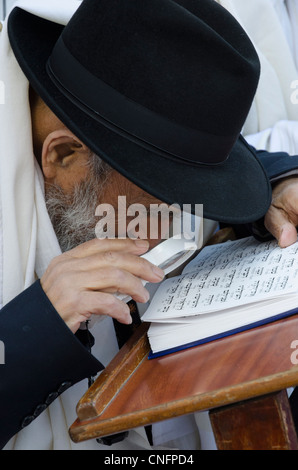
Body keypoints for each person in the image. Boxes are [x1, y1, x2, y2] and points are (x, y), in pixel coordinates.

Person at [1, 0, 298, 451]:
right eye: (154, 204)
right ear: (61, 155)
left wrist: (277, 185)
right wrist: (37, 323)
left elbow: (210, 156)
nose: (165, 235)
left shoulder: (123, 116)